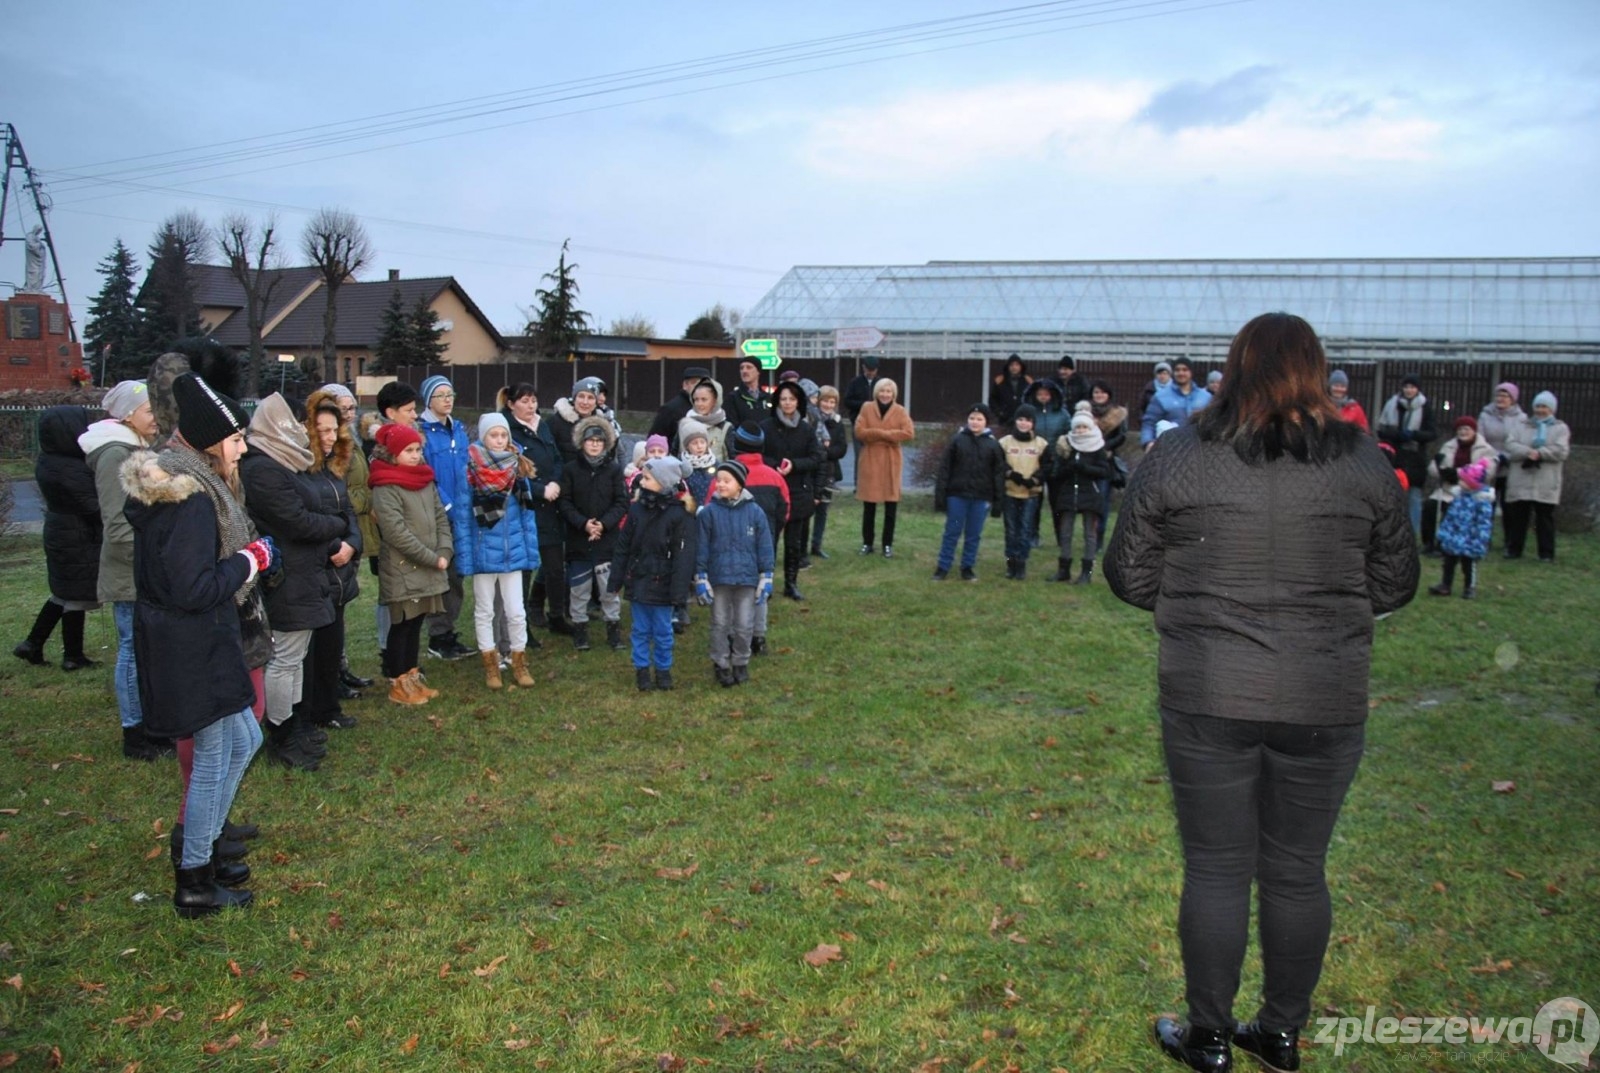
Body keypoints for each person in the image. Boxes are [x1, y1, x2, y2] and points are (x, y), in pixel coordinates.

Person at [1104, 312, 1418, 1073]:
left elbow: (1130, 574)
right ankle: (1275, 1031)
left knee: (1217, 865)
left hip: (1213, 692)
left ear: (1235, 366)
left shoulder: (1180, 455)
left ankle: (1214, 1035)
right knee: (1294, 868)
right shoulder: (1365, 466)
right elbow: (1394, 580)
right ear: (1317, 371)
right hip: (1321, 694)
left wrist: (1205, 609)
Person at [122, 372, 269, 917]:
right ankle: (195, 881)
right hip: (189, 644)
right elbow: (193, 587)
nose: (243, 448)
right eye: (236, 439)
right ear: (210, 442)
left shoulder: (192, 484)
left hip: (200, 639)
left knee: (245, 737)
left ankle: (198, 844)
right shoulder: (188, 500)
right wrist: (249, 561)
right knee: (217, 750)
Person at [239, 394, 347, 772]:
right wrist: (336, 526)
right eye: (296, 422)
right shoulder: (263, 468)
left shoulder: (286, 462)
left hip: (304, 569)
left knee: (295, 656)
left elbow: (313, 509)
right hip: (288, 574)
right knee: (284, 658)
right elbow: (298, 521)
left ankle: (295, 722)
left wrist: (327, 523)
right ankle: (282, 733)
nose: (303, 430)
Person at [80, 379, 170, 760]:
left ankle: (153, 722)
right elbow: (119, 527)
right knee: (133, 652)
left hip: (146, 568)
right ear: (127, 414)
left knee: (148, 651)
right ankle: (136, 733)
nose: (157, 417)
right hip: (130, 572)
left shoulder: (139, 448)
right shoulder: (115, 454)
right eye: (150, 410)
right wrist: (164, 550)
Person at [293, 392, 364, 735]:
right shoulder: (296, 470)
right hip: (314, 570)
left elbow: (347, 512)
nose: (328, 436)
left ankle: (327, 707)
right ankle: (305, 714)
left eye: (333, 429)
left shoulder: (334, 469)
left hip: (338, 572)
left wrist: (352, 543)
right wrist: (336, 542)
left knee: (331, 645)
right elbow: (302, 520)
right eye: (320, 429)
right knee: (309, 650)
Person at [456, 413, 541, 690]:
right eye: (494, 435)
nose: (500, 440)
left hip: (513, 554)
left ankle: (518, 661)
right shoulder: (469, 470)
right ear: (483, 437)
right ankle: (491, 664)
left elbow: (528, 516)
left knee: (516, 612)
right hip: (483, 553)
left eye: (503, 435)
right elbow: (462, 518)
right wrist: (467, 558)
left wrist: (530, 552)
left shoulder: (518, 470)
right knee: (484, 611)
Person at [369, 423, 452, 705]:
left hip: (429, 563)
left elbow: (440, 517)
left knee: (416, 623)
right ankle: (397, 682)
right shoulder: (385, 486)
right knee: (402, 623)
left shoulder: (425, 480)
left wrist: (445, 548)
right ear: (392, 454)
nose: (416, 455)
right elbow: (396, 533)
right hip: (404, 568)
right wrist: (432, 557)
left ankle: (412, 676)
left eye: (418, 449)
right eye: (409, 450)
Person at [14, 406, 101, 671]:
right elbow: (91, 506)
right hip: (76, 533)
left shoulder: (50, 460)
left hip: (62, 529)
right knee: (75, 594)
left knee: (64, 592)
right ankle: (72, 655)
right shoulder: (70, 466)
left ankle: (33, 643)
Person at [610, 456, 696, 691]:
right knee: (640, 629)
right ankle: (641, 669)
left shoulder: (679, 515)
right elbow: (624, 546)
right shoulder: (637, 509)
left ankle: (663, 669)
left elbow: (683, 556)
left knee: (662, 630)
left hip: (664, 582)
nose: (642, 482)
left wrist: (679, 591)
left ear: (663, 481)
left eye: (647, 478)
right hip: (639, 579)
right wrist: (616, 578)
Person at [693, 460, 774, 687]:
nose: (720, 485)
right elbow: (702, 547)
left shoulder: (755, 512)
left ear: (739, 484)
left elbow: (765, 546)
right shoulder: (709, 514)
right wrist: (701, 577)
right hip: (719, 579)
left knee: (745, 624)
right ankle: (721, 663)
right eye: (718, 480)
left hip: (746, 579)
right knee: (720, 623)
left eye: (726, 481)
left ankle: (740, 661)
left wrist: (766, 575)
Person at [319, 384, 376, 693]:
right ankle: (332, 675)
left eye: (353, 408)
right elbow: (333, 494)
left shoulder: (350, 436)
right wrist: (365, 498)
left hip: (352, 532)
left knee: (343, 607)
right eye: (343, 409)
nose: (350, 414)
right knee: (332, 608)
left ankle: (341, 668)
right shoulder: (329, 446)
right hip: (337, 535)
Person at [500, 383, 568, 636]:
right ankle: (521, 626)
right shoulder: (507, 430)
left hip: (551, 507)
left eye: (533, 400)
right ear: (511, 404)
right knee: (525, 567)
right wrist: (540, 489)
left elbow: (557, 459)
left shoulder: (543, 425)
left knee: (554, 566)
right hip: (525, 507)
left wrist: (556, 483)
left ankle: (557, 616)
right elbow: (509, 471)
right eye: (524, 401)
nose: (530, 406)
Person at [557, 417, 629, 652]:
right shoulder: (570, 470)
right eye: (590, 440)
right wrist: (584, 524)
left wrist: (604, 525)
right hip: (579, 540)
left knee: (609, 589)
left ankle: (613, 631)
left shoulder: (614, 470)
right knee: (579, 590)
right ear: (582, 442)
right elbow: (565, 502)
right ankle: (580, 631)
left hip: (607, 541)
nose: (595, 445)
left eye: (599, 440)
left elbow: (622, 501)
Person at [416, 375, 474, 663]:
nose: (447, 399)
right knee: (440, 576)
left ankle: (447, 631)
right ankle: (438, 635)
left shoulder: (459, 430)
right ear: (429, 400)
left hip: (462, 514)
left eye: (450, 393)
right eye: (440, 395)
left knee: (457, 576)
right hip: (438, 515)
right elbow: (424, 474)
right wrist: (446, 505)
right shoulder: (423, 432)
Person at [728, 422, 790, 656]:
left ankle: (735, 635)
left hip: (731, 547)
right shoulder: (775, 478)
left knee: (734, 592)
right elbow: (785, 510)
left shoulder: (727, 476)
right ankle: (758, 637)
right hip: (765, 545)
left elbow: (709, 508)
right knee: (760, 590)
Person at [760, 381, 826, 600]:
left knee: (794, 542)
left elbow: (816, 458)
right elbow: (758, 456)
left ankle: (791, 583)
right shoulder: (766, 427)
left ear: (799, 402)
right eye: (784, 399)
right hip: (771, 491)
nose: (787, 403)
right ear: (778, 401)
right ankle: (766, 583)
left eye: (792, 399)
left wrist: (794, 465)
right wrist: (775, 465)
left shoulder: (806, 429)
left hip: (798, 491)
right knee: (769, 541)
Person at [370, 381, 420, 666]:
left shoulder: (412, 441)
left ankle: (406, 660)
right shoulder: (379, 448)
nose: (415, 415)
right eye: (409, 410)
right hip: (391, 538)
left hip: (415, 533)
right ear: (391, 412)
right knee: (392, 599)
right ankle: (391, 654)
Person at [932, 404, 1006, 582]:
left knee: (973, 535)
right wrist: (941, 495)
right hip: (957, 496)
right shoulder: (957, 440)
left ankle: (967, 567)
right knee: (952, 532)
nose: (975, 422)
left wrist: (998, 501)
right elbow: (944, 469)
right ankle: (943, 566)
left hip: (980, 498)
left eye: (979, 419)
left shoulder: (993, 445)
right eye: (972, 418)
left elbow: (998, 474)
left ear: (986, 422)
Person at [1045, 411, 1112, 585]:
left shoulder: (1098, 447)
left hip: (1089, 493)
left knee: (1090, 534)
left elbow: (1104, 472)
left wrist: (1084, 468)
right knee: (1065, 532)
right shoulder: (1067, 444)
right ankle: (1063, 569)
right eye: (1078, 427)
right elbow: (1057, 471)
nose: (1081, 430)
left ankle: (1086, 572)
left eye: (1084, 427)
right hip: (1069, 493)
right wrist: (1069, 467)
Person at [1502, 391, 1570, 562]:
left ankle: (1546, 553)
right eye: (1538, 406)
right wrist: (1528, 452)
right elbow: (1510, 444)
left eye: (1544, 407)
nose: (1540, 410)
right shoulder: (1521, 426)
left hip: (1546, 480)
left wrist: (1540, 454)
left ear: (1552, 409)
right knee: (1519, 517)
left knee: (1544, 519)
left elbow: (1561, 451)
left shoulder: (1561, 428)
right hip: (1522, 478)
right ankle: (1514, 549)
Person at [854, 378, 914, 558]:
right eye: (882, 391)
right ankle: (867, 543)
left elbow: (909, 433)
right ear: (876, 392)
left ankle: (887, 544)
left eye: (889, 391)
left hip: (891, 460)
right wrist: (886, 435)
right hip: (870, 459)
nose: (885, 394)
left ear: (893, 394)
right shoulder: (866, 408)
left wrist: (880, 434)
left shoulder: (900, 411)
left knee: (890, 506)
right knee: (869, 506)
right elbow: (859, 432)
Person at [1424, 416, 1495, 559]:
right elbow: (1434, 467)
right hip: (1447, 488)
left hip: (1471, 491)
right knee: (1430, 506)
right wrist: (1439, 469)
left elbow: (1487, 472)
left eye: (1467, 429)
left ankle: (1449, 544)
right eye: (1460, 429)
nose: (1463, 432)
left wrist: (1457, 473)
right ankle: (1430, 543)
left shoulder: (1485, 449)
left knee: (1454, 510)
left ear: (1474, 431)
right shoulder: (1448, 446)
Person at [1375, 373, 1437, 537]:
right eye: (1406, 386)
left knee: (1414, 495)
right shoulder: (1392, 404)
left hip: (1416, 457)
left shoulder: (1425, 407)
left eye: (1412, 387)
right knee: (1391, 494)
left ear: (1418, 389)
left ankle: (1412, 532)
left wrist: (1414, 435)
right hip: (1395, 455)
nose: (1409, 390)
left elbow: (1432, 433)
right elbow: (1382, 430)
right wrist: (1396, 434)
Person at [1430, 460, 1495, 599]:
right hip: (1453, 536)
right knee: (1448, 563)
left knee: (1468, 565)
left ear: (1473, 484)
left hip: (1470, 539)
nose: (1460, 483)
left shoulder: (1482, 502)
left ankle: (1469, 587)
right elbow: (1450, 516)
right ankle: (1445, 585)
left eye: (1464, 481)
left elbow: (1483, 523)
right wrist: (1444, 532)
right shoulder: (1458, 496)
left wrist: (1480, 540)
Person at [998, 403, 1047, 580]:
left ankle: (1021, 564)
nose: (1023, 423)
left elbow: (1047, 467)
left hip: (1031, 494)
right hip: (1010, 492)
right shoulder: (1004, 442)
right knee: (1011, 530)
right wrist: (1011, 474)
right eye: (1020, 419)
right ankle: (1011, 564)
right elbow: (998, 464)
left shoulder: (1041, 443)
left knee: (1025, 529)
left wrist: (1034, 479)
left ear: (1033, 423)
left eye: (1027, 420)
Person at [1476, 382, 1524, 540]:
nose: (1501, 399)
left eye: (1505, 396)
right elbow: (1479, 438)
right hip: (1488, 464)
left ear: (1513, 399)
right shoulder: (1485, 415)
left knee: (1509, 506)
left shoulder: (1521, 418)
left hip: (1511, 466)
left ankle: (1509, 541)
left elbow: (1521, 440)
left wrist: (1506, 456)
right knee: (1486, 504)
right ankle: (1484, 538)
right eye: (1498, 395)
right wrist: (1493, 457)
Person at [1087, 380, 1129, 545]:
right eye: (1096, 392)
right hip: (1087, 459)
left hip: (1106, 460)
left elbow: (1122, 436)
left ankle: (1099, 538)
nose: (1099, 395)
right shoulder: (1084, 412)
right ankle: (1089, 536)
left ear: (1108, 395)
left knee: (1103, 501)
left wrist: (1105, 447)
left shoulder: (1117, 413)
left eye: (1102, 392)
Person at [810, 385, 849, 561]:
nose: (828, 404)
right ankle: (801, 547)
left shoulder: (837, 422)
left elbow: (841, 448)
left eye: (832, 401)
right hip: (811, 469)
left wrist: (826, 453)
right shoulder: (812, 419)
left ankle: (816, 545)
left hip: (829, 471)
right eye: (825, 400)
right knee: (807, 509)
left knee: (823, 511)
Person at [547, 376, 622, 467]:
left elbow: (612, 456)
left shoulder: (604, 425)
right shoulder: (555, 423)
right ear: (574, 398)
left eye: (590, 398)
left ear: (596, 402)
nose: (585, 402)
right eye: (581, 396)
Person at [1141, 357, 1213, 448]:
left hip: (1199, 449)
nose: (1181, 373)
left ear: (1191, 372)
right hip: (1169, 449)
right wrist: (1148, 442)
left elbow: (1213, 423)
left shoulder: (1205, 397)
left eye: (1185, 370)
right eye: (1177, 370)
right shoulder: (1160, 396)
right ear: (1173, 373)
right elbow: (1149, 423)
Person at [649, 366, 713, 451]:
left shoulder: (714, 408)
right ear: (685, 385)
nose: (699, 387)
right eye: (694, 383)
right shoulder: (671, 409)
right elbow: (654, 440)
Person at [677, 378, 731, 462]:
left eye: (704, 399)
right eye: (696, 399)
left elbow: (732, 459)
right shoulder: (684, 424)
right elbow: (675, 454)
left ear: (715, 401)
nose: (699, 404)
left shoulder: (725, 427)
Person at [988, 354, 1032, 427]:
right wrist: (1000, 413)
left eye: (1017, 365)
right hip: (1004, 421)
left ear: (1021, 366)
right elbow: (993, 399)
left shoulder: (1028, 381)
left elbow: (1032, 398)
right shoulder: (999, 381)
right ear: (1008, 367)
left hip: (1023, 420)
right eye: (1011, 365)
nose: (1014, 367)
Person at [725, 358, 769, 428]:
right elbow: (731, 425)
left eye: (749, 367)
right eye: (742, 368)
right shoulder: (733, 398)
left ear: (758, 371)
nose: (744, 371)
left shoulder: (768, 398)